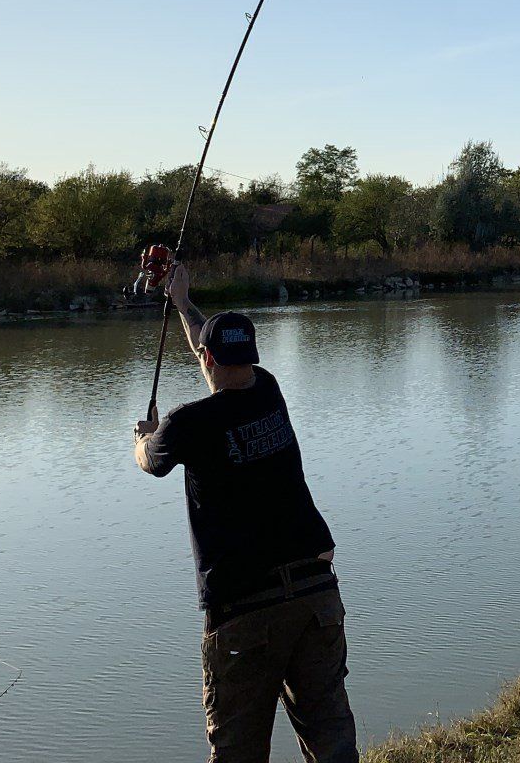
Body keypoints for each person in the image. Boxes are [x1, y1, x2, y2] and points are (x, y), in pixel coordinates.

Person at [135, 263, 358, 763]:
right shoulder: (269, 389)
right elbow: (206, 349)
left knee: (238, 750)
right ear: (252, 359)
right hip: (315, 594)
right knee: (330, 733)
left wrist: (141, 436)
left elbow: (151, 462)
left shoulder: (185, 423)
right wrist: (183, 301)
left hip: (243, 613)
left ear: (209, 359)